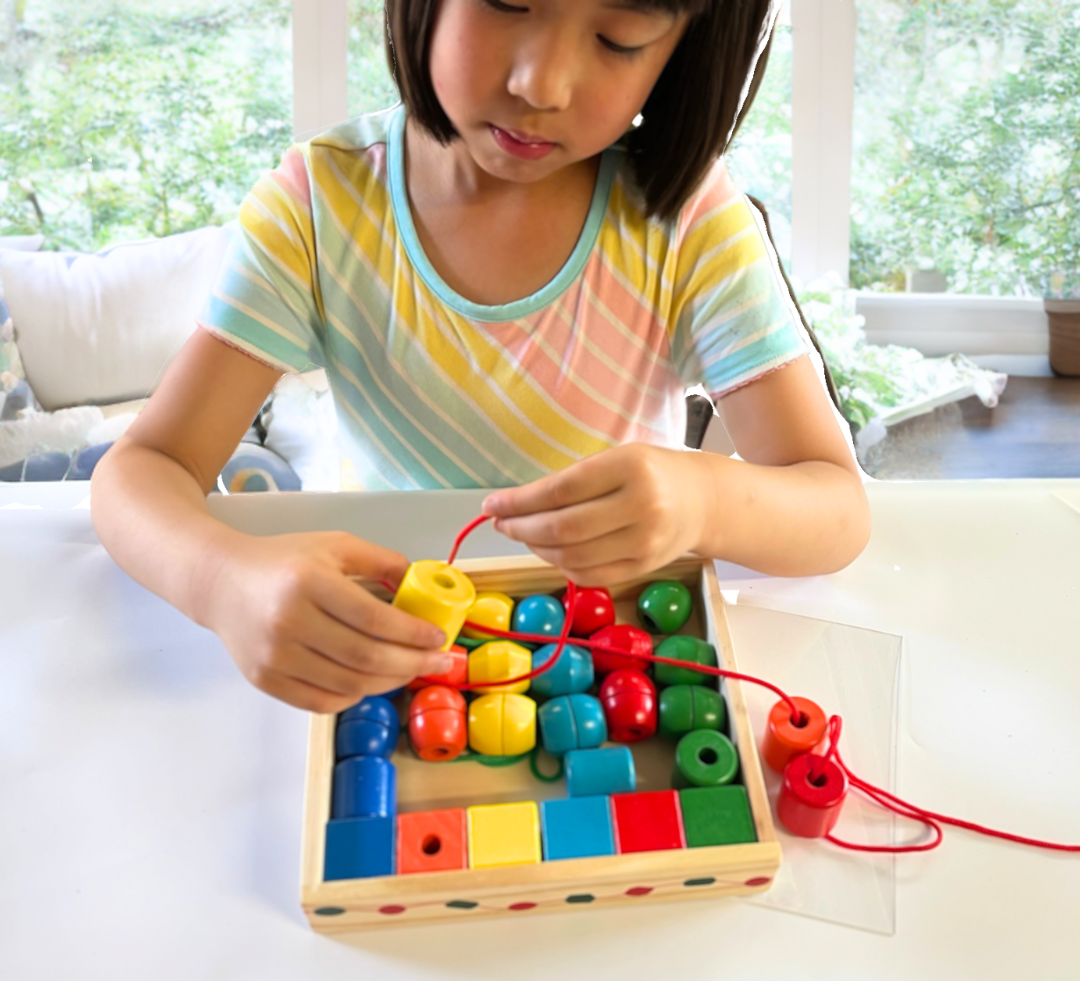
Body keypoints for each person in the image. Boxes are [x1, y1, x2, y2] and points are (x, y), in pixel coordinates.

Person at [91, 0, 871, 714]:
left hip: (610, 663)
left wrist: (704, 500)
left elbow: (836, 508)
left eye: (617, 37)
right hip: (389, 655)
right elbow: (143, 469)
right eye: (507, 2)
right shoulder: (321, 208)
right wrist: (224, 581)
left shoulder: (688, 221)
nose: (542, 83)